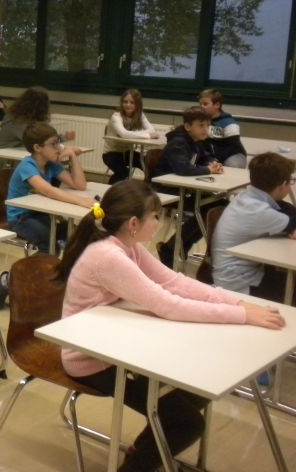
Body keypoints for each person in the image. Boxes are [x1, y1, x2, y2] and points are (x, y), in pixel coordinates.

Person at [56, 179, 284, 472]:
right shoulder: (108, 256)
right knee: (188, 423)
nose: (159, 222)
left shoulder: (128, 246)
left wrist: (237, 303)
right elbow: (168, 305)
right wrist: (241, 315)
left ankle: (144, 449)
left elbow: (174, 282)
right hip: (91, 360)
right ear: (134, 224)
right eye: (155, 216)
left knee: (200, 385)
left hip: (118, 345)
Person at [211, 152, 296, 300]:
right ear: (283, 185)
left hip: (239, 273)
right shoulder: (258, 211)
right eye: (291, 181)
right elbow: (291, 222)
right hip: (239, 286)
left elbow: (287, 211)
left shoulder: (247, 197)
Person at [152, 106, 224, 269]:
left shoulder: (197, 141)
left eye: (207, 125)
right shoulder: (178, 142)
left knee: (220, 204)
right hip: (167, 190)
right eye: (201, 125)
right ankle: (172, 248)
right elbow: (183, 169)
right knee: (208, 209)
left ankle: (178, 245)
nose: (205, 129)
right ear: (187, 126)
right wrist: (208, 170)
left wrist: (212, 163)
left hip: (184, 188)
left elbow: (206, 158)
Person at [6, 121, 90, 254]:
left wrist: (73, 156)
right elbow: (49, 191)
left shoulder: (51, 165)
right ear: (38, 148)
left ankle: (63, 266)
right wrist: (81, 201)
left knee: (75, 234)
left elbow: (80, 185)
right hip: (21, 219)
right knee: (50, 243)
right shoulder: (27, 166)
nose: (59, 148)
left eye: (58, 143)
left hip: (41, 214)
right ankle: (38, 267)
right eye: (53, 144)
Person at [103, 88, 159, 184]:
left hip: (128, 153)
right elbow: (124, 134)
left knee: (151, 166)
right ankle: (110, 190)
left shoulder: (140, 115)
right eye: (125, 102)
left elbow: (152, 130)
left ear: (137, 104)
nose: (128, 105)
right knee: (124, 174)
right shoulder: (116, 116)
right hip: (111, 153)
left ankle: (148, 188)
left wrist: (143, 134)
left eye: (132, 102)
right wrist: (147, 135)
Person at [199, 88, 246, 168]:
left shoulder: (228, 122)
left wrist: (216, 159)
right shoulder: (199, 121)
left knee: (234, 165)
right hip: (210, 155)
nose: (201, 107)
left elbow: (233, 147)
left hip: (232, 154)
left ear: (217, 105)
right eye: (200, 104)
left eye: (205, 104)